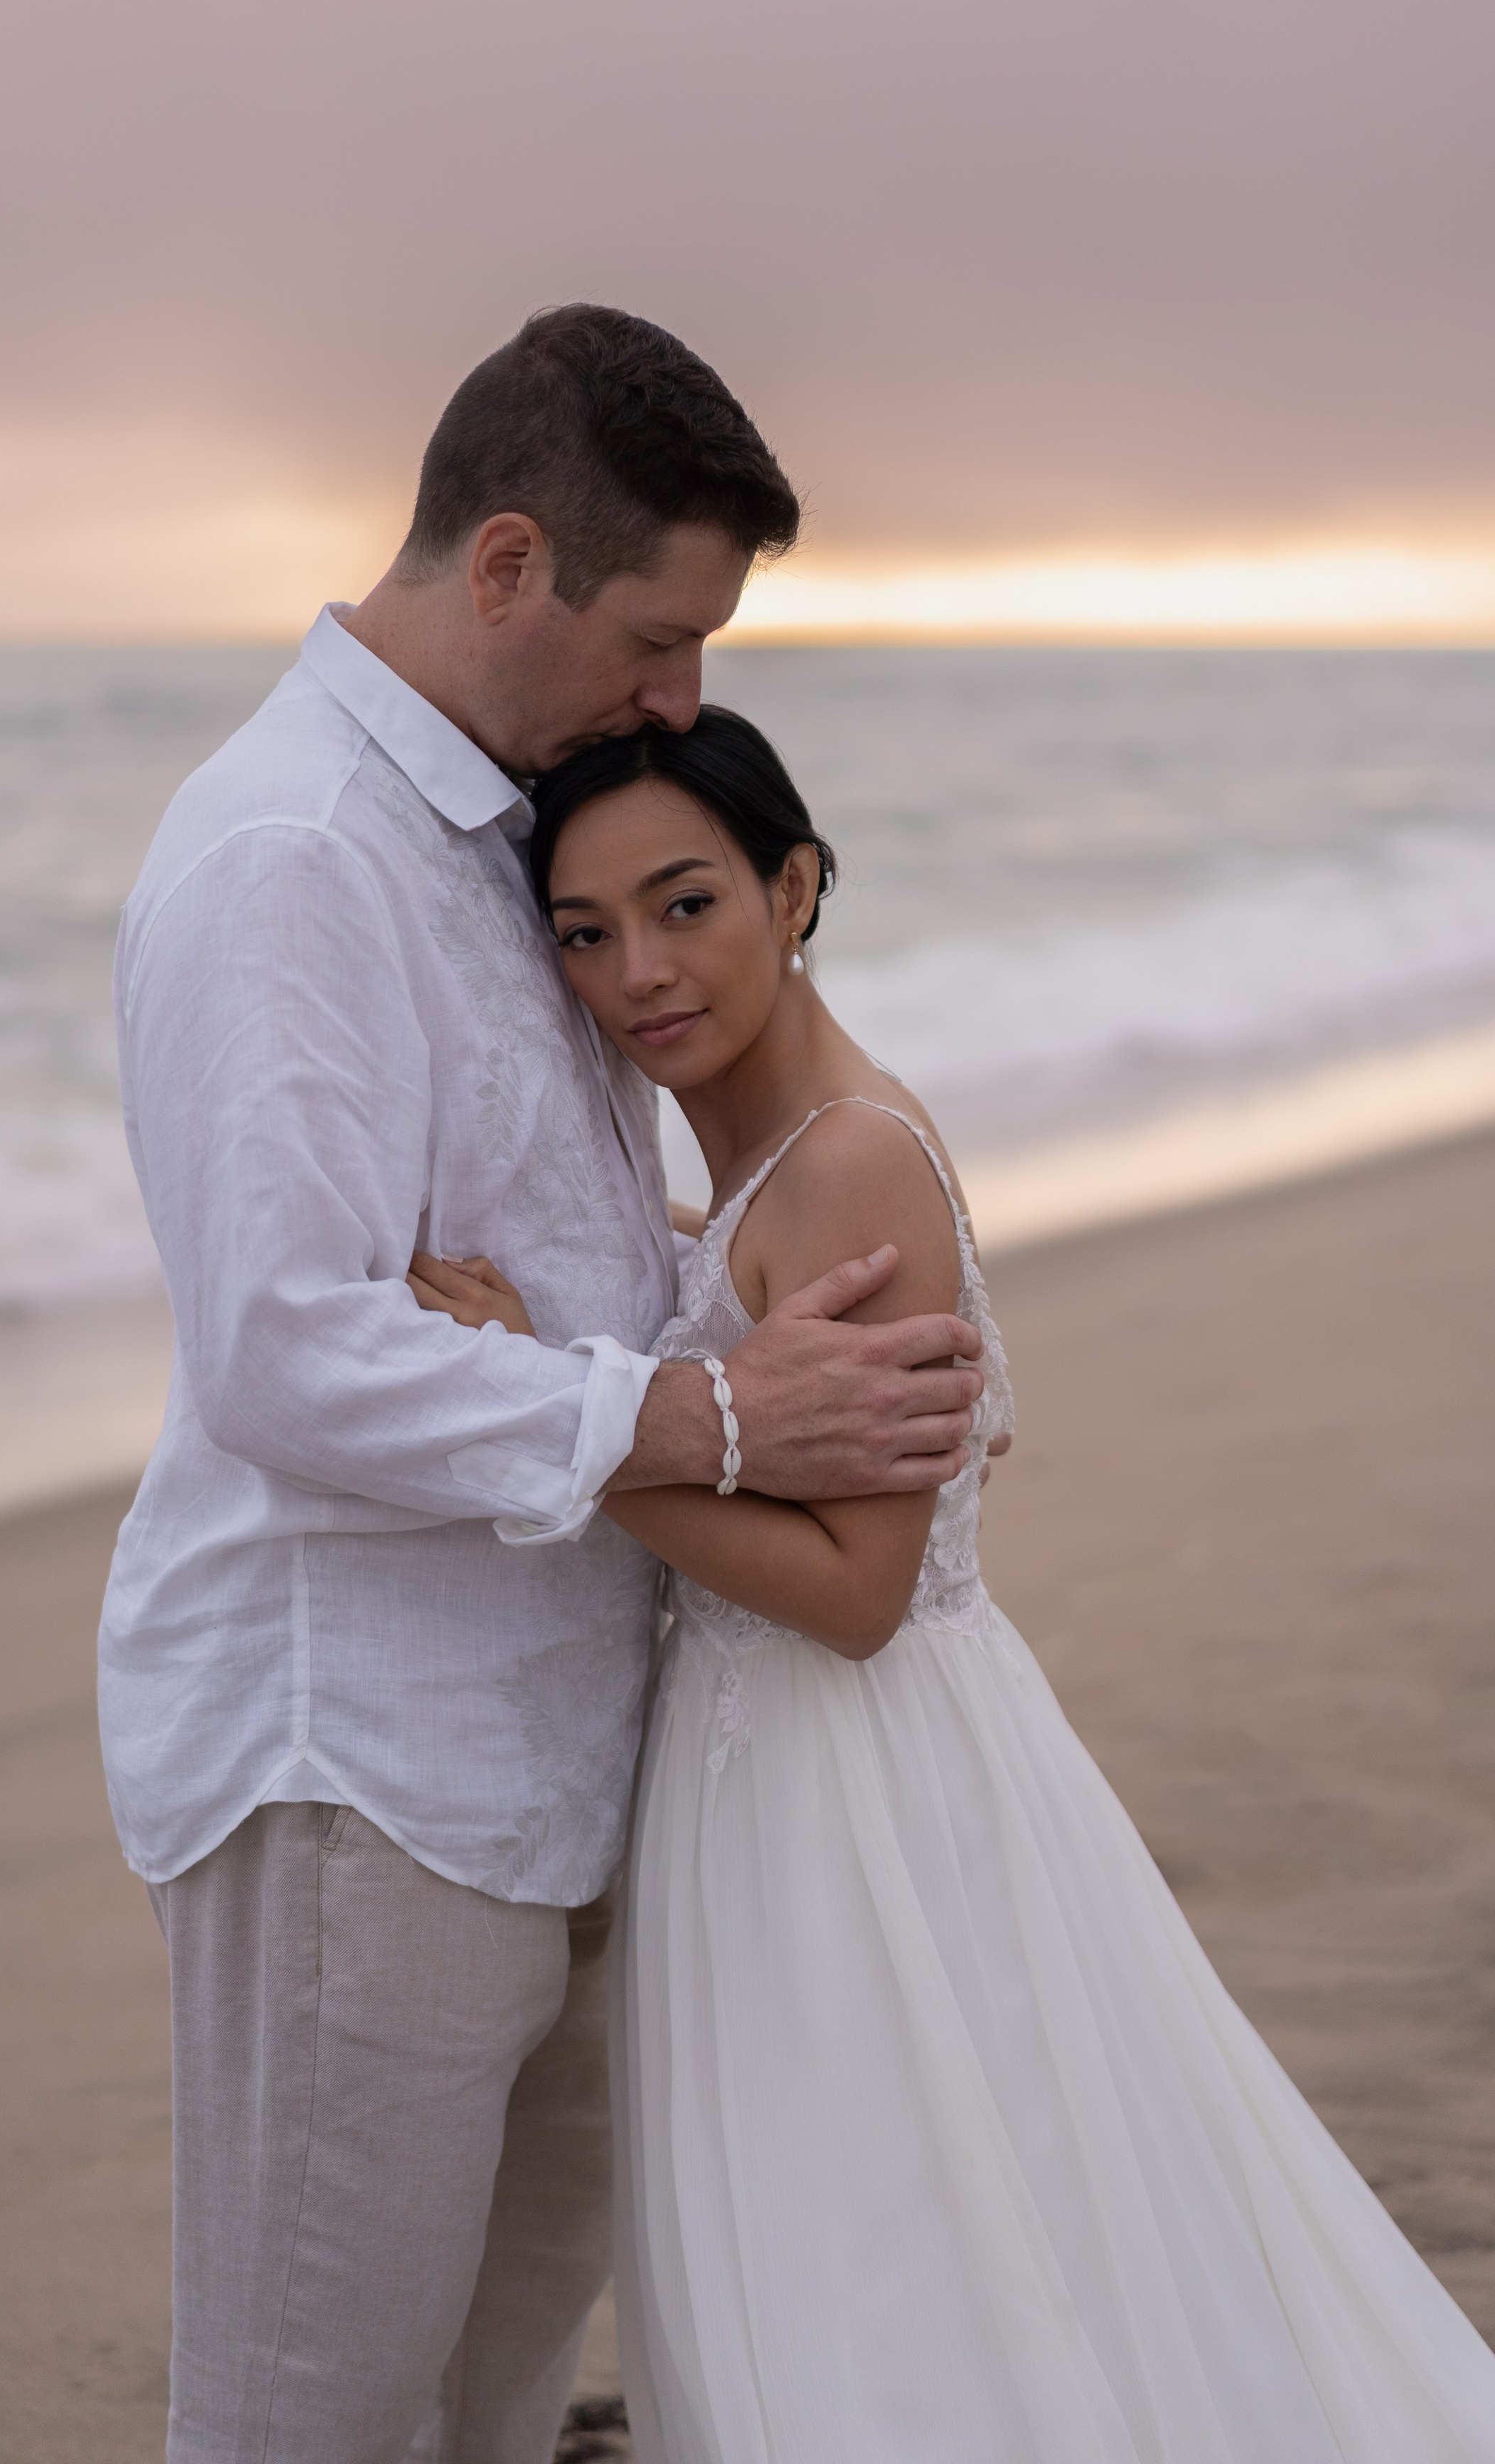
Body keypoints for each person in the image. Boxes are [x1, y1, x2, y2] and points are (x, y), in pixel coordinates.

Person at [98, 307, 989, 2463]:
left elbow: (545, 1248)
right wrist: (719, 1420)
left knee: (487, 2412)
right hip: (363, 1772)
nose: (682, 700)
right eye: (660, 640)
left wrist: (706, 1297)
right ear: (509, 566)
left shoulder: (508, 842)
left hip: (570, 1766)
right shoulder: (293, 854)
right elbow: (287, 1350)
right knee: (311, 2425)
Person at [417, 705, 1495, 2462]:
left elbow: (854, 1594)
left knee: (895, 2252)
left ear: (793, 887)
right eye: (583, 933)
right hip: (774, 1770)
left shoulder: (848, 1157)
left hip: (856, 1786)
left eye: (686, 905)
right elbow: (752, 1297)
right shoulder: (779, 1154)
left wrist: (563, 1420)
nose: (638, 976)